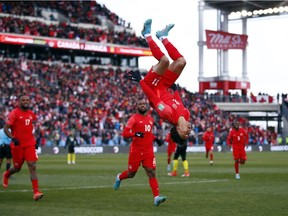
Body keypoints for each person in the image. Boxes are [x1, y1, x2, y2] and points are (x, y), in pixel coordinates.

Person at [125, 18, 191, 145]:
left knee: (164, 61)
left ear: (178, 129)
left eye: (185, 133)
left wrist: (140, 81)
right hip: (165, 85)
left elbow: (152, 97)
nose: (188, 132)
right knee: (181, 62)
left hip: (152, 86)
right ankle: (162, 36)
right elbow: (179, 103)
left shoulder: (167, 114)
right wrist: (176, 90)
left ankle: (147, 35)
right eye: (188, 134)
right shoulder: (186, 115)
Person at [113, 98, 166, 206]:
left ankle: (156, 197)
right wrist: (135, 134)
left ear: (146, 107)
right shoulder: (133, 119)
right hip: (136, 151)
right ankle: (119, 177)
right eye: (140, 103)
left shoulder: (150, 119)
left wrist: (155, 139)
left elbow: (148, 133)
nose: (142, 105)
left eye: (144, 104)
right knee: (131, 174)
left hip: (148, 151)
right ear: (137, 107)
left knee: (151, 172)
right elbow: (125, 133)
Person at [2, 95, 44, 201]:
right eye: (23, 100)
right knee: (17, 168)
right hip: (18, 145)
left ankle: (36, 192)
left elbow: (29, 129)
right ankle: (6, 174)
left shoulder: (31, 114)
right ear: (19, 102)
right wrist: (13, 138)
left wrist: (33, 142)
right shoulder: (14, 113)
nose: (26, 102)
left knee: (32, 165)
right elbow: (5, 128)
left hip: (29, 144)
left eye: (27, 100)